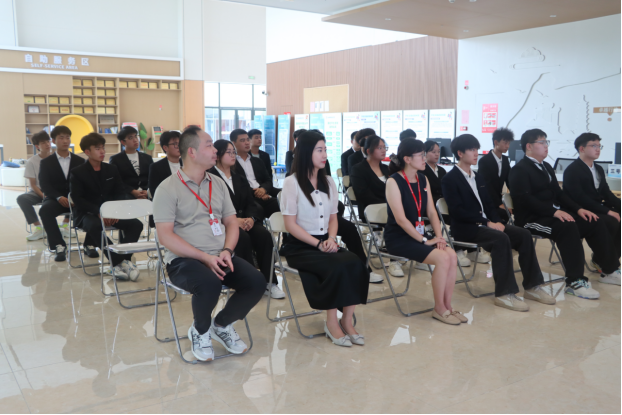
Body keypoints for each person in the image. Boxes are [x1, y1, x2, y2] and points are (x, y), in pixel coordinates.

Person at [154, 126, 265, 362]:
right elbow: (165, 236)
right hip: (183, 261)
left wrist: (227, 250)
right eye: (209, 145)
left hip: (220, 254)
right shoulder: (167, 188)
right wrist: (204, 258)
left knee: (256, 281)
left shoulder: (217, 183)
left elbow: (231, 222)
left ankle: (221, 325)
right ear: (192, 152)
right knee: (209, 283)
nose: (215, 150)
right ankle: (200, 330)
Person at [443, 134, 556, 312]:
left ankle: (533, 287)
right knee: (500, 238)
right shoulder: (450, 179)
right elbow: (457, 211)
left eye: (476, 149)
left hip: (484, 225)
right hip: (466, 228)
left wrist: (496, 220)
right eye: (471, 149)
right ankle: (504, 294)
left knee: (523, 234)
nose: (476, 153)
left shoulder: (477, 177)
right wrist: (487, 223)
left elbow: (489, 204)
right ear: (460, 153)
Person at [280, 130, 369, 347]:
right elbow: (290, 225)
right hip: (300, 246)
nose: (325, 155)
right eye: (319, 150)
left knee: (356, 263)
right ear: (306, 153)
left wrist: (330, 238)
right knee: (335, 266)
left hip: (325, 241)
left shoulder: (328, 181)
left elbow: (333, 218)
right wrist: (318, 244)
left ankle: (347, 320)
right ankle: (331, 323)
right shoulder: (291, 182)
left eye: (325, 150)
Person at [509, 129, 621, 299]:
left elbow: (559, 194)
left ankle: (610, 270)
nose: (546, 146)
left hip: (551, 215)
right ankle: (575, 281)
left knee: (593, 220)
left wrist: (578, 209)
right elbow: (525, 200)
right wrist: (554, 212)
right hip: (531, 220)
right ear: (529, 146)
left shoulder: (546, 167)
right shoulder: (519, 169)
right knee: (567, 227)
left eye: (546, 142)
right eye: (542, 142)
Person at [384, 138, 465, 325]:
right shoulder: (393, 181)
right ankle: (439, 308)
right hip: (399, 237)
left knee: (451, 255)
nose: (424, 158)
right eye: (420, 155)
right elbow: (400, 220)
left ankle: (448, 306)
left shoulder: (423, 178)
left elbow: (431, 212)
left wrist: (439, 237)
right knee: (442, 258)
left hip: (419, 235)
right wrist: (423, 240)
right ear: (407, 159)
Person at [210, 139, 286, 300]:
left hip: (244, 220)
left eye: (233, 152)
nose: (233, 155)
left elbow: (251, 203)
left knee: (264, 235)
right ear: (218, 155)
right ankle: (250, 283)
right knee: (242, 237)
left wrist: (251, 218)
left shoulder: (239, 177)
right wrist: (233, 221)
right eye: (229, 152)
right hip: (224, 223)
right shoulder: (211, 178)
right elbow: (211, 207)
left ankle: (270, 282)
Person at [70, 133, 143, 281]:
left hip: (112, 212)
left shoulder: (111, 169)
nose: (102, 151)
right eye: (97, 149)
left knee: (136, 224)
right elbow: (78, 199)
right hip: (88, 213)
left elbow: (120, 192)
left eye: (103, 148)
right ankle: (119, 262)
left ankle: (122, 261)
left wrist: (113, 211)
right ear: (87, 151)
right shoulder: (78, 172)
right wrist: (100, 212)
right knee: (95, 226)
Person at [563, 133, 621, 270]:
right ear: (582, 148)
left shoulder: (598, 168)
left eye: (599, 146)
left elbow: (606, 193)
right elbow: (580, 198)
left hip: (597, 207)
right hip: (581, 210)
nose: (598, 149)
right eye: (594, 146)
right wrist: (608, 211)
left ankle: (601, 260)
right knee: (611, 221)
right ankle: (606, 264)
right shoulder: (572, 170)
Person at [38, 126, 85, 262]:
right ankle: (59, 245)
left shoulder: (80, 161)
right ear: (53, 141)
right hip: (56, 199)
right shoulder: (46, 162)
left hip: (76, 199)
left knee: (93, 207)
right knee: (45, 211)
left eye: (67, 137)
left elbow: (85, 183)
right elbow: (45, 184)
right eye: (61, 138)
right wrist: (58, 197)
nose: (65, 141)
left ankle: (90, 244)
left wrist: (74, 197)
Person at [423, 140, 471, 268]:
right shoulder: (422, 171)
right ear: (424, 153)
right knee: (456, 217)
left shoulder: (442, 170)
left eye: (438, 152)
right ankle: (458, 250)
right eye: (433, 152)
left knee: (463, 215)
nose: (436, 154)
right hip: (430, 206)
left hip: (444, 205)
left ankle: (469, 249)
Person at [19, 131, 69, 241]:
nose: (47, 144)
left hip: (56, 191)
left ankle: (65, 225)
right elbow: (33, 184)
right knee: (22, 199)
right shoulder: (32, 162)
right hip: (38, 191)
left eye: (48, 141)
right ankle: (39, 228)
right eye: (43, 143)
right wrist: (44, 196)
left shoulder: (58, 158)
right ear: (37, 146)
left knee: (71, 194)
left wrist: (53, 195)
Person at [230, 129, 280, 218]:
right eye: (242, 140)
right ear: (233, 143)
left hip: (262, 193)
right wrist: (258, 193)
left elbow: (268, 180)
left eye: (247, 140)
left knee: (282, 203)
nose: (247, 143)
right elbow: (237, 185)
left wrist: (263, 189)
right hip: (247, 197)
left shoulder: (257, 161)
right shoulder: (232, 163)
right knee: (257, 209)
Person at [477, 128, 514, 223]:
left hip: (498, 198)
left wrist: (517, 196)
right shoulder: (484, 161)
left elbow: (510, 181)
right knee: (504, 214)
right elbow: (486, 185)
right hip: (486, 200)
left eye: (509, 143)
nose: (507, 146)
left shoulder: (505, 160)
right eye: (505, 143)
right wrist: (499, 204)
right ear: (496, 142)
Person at [109, 126, 153, 200]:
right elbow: (116, 181)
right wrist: (132, 191)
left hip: (146, 193)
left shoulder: (147, 158)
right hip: (126, 194)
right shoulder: (115, 159)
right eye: (130, 138)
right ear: (123, 142)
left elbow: (152, 177)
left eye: (136, 136)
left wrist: (147, 191)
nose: (135, 140)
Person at [148, 131, 183, 199]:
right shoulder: (156, 167)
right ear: (165, 148)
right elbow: (154, 191)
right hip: (167, 201)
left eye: (180, 143)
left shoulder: (187, 164)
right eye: (175, 144)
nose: (179, 147)